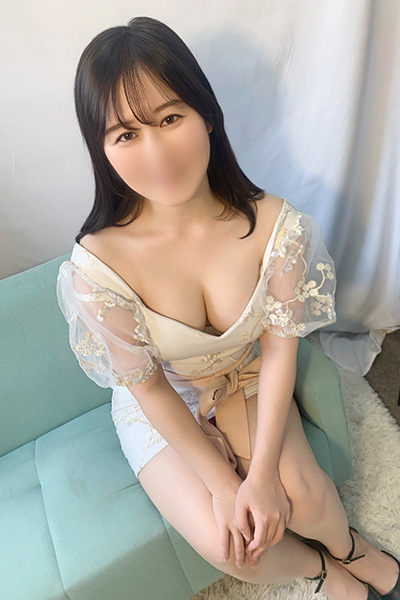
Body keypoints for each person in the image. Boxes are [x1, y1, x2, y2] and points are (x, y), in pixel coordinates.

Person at [56, 15, 399, 600]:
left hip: (247, 375)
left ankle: (349, 546)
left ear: (207, 114)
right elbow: (150, 390)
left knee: (305, 496)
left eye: (170, 118)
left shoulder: (276, 227)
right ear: (102, 150)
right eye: (126, 135)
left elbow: (278, 351)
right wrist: (223, 483)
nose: (158, 153)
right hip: (161, 402)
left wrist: (260, 476)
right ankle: (322, 571)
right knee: (229, 542)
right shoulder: (98, 267)